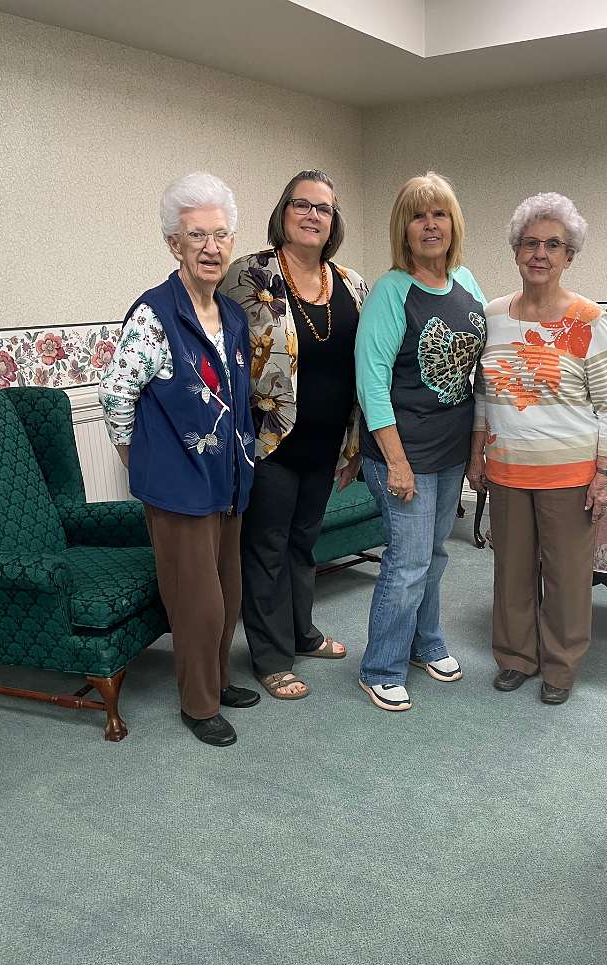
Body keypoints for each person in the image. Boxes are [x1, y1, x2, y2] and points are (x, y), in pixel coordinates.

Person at [99, 172, 258, 747]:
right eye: (197, 236)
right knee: (198, 604)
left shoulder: (232, 316)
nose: (211, 248)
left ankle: (217, 680)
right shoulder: (154, 314)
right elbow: (116, 393)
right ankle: (199, 704)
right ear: (174, 244)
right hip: (178, 487)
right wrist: (135, 455)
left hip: (229, 479)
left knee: (228, 592)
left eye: (220, 235)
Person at [467, 192, 607, 705]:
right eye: (530, 243)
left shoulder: (586, 320)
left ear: (569, 256)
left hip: (570, 474)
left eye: (553, 245)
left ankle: (560, 665)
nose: (540, 254)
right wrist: (477, 451)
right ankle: (516, 656)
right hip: (507, 469)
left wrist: (605, 474)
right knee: (511, 572)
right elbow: (484, 392)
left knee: (566, 579)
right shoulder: (492, 315)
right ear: (516, 251)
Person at [220, 170, 368, 700]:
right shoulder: (248, 275)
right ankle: (271, 657)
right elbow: (218, 349)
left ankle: (302, 632)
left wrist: (354, 445)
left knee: (304, 543)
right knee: (267, 548)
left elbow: (364, 367)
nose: (312, 215)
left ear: (334, 222)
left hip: (326, 444)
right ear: (283, 212)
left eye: (323, 208)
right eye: (301, 205)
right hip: (270, 443)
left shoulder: (352, 284)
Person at [356, 172, 487, 712]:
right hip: (401, 451)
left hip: (450, 448)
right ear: (403, 229)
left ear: (454, 224)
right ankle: (380, 667)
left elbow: (480, 370)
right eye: (418, 215)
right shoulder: (391, 291)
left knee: (433, 555)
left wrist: (476, 449)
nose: (430, 225)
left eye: (439, 214)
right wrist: (396, 462)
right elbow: (371, 383)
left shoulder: (467, 282)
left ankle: (425, 642)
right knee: (407, 562)